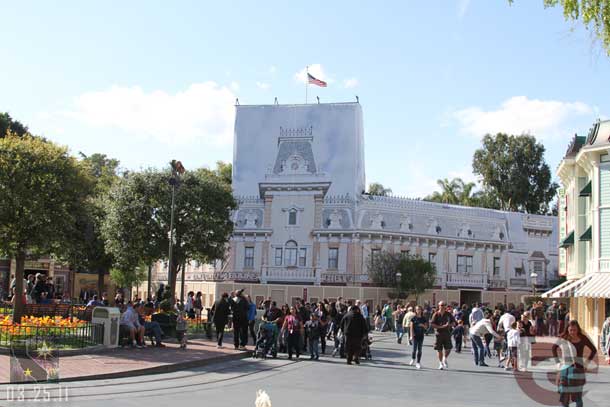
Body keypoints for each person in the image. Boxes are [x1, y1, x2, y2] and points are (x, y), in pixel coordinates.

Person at [552, 320, 597, 407]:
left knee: (578, 397)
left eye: (574, 330)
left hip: (578, 369)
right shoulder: (563, 337)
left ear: (578, 330)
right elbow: (554, 348)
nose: (572, 332)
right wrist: (557, 363)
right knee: (564, 396)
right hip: (565, 368)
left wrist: (587, 363)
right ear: (567, 329)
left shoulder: (583, 338)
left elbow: (593, 350)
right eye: (570, 330)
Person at [430, 301, 455, 370]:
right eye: (441, 305)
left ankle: (444, 358)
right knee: (439, 349)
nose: (443, 306)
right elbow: (432, 324)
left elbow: (453, 322)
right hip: (439, 334)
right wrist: (441, 327)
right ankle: (440, 363)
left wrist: (449, 325)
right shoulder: (436, 314)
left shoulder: (448, 314)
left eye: (444, 305)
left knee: (449, 348)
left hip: (447, 333)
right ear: (439, 306)